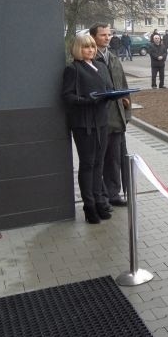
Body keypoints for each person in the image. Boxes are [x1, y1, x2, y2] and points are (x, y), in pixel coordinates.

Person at [62, 34, 113, 224]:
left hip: (101, 121)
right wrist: (86, 101)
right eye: (85, 47)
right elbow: (67, 96)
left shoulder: (100, 66)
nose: (90, 50)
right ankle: (89, 206)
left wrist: (112, 96)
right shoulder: (73, 69)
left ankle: (100, 201)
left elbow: (108, 88)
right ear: (78, 49)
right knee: (88, 164)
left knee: (99, 164)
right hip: (84, 125)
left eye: (92, 47)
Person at [91, 23, 132, 207]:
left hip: (117, 119)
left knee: (116, 158)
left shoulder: (113, 58)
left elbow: (123, 85)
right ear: (93, 37)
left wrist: (127, 110)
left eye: (109, 34)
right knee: (101, 160)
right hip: (100, 119)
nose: (107, 38)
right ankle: (102, 195)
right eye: (102, 35)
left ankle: (114, 193)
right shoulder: (90, 60)